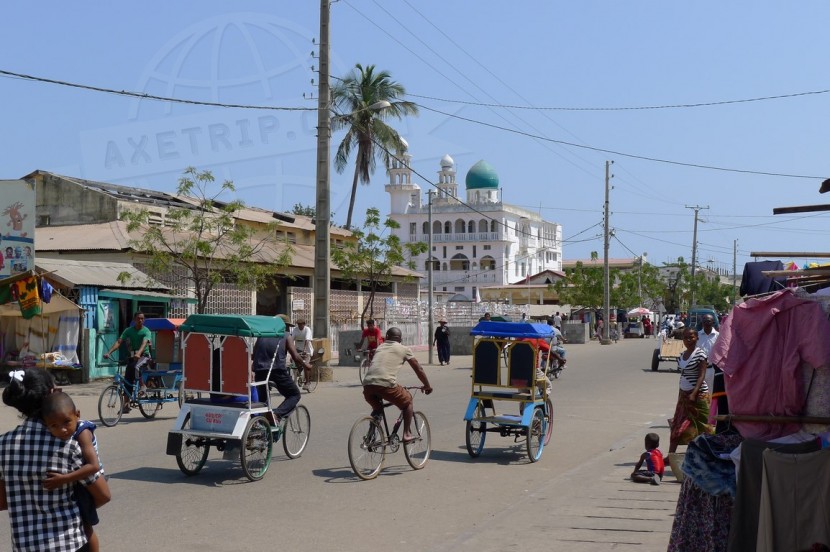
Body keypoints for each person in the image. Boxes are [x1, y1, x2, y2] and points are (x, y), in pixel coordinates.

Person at [0, 368, 111, 551]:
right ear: (51, 394)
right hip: (68, 543)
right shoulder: (69, 445)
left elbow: (2, 502)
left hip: (25, 546)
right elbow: (104, 495)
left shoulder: (3, 445)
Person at [41, 392, 105, 552]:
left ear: (77, 415)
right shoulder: (63, 433)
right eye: (54, 426)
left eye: (66, 422)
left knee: (85, 527)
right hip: (79, 479)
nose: (62, 430)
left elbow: (93, 466)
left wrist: (64, 479)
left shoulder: (83, 432)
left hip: (89, 480)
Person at [361, 327, 433, 442]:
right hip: (386, 384)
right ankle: (407, 434)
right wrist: (427, 385)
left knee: (377, 409)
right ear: (400, 339)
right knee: (408, 401)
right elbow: (418, 369)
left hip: (367, 385)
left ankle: (370, 436)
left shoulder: (380, 347)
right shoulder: (404, 349)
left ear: (387, 337)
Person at [252, 314, 312, 422]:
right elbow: (295, 355)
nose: (288, 329)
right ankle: (277, 415)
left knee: (263, 401)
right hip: (277, 371)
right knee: (294, 394)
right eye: (287, 326)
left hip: (259, 371)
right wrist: (305, 365)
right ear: (283, 325)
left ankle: (263, 424)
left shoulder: (262, 334)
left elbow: (253, 354)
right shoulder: (285, 335)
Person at [667, 327, 713, 458]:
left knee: (705, 426)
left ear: (697, 338)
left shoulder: (700, 354)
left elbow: (701, 376)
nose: (689, 340)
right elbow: (683, 374)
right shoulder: (682, 355)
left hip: (699, 395)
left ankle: (709, 454)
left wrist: (694, 393)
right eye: (686, 337)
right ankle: (671, 455)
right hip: (683, 394)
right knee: (677, 423)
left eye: (691, 337)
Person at [103, 311, 152, 413]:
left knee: (137, 367)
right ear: (134, 320)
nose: (140, 320)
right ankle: (126, 405)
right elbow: (119, 342)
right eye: (138, 318)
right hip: (132, 357)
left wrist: (138, 353)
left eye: (142, 318)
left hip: (144, 356)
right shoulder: (128, 331)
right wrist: (109, 352)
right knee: (127, 380)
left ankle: (143, 386)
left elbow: (144, 343)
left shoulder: (146, 331)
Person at [696, 314, 719, 395]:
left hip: (712, 370)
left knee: (711, 393)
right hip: (698, 369)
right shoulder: (697, 336)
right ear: (702, 323)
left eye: (708, 321)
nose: (706, 322)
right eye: (704, 321)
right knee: (699, 393)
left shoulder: (718, 336)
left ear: (713, 322)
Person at [290, 318, 314, 391]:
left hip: (307, 350)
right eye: (298, 325)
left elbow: (307, 340)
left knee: (306, 365)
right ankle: (300, 374)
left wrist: (304, 350)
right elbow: (291, 340)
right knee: (295, 363)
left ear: (304, 324)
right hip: (298, 349)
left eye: (301, 325)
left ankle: (307, 383)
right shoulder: (295, 329)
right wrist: (292, 352)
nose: (300, 326)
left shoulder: (307, 329)